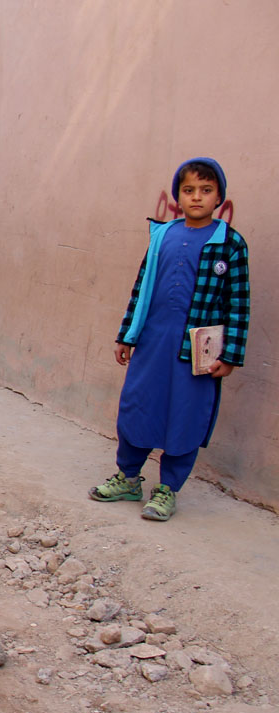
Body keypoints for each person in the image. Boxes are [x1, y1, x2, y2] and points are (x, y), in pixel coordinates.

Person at [88, 158, 249, 521]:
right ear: (177, 196)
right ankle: (129, 478)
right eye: (188, 190)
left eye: (206, 191)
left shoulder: (231, 244)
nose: (197, 198)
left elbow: (239, 304)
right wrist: (127, 335)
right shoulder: (162, 235)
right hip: (153, 343)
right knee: (137, 406)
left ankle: (167, 489)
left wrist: (232, 355)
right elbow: (141, 288)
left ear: (219, 197)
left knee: (185, 416)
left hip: (197, 353)